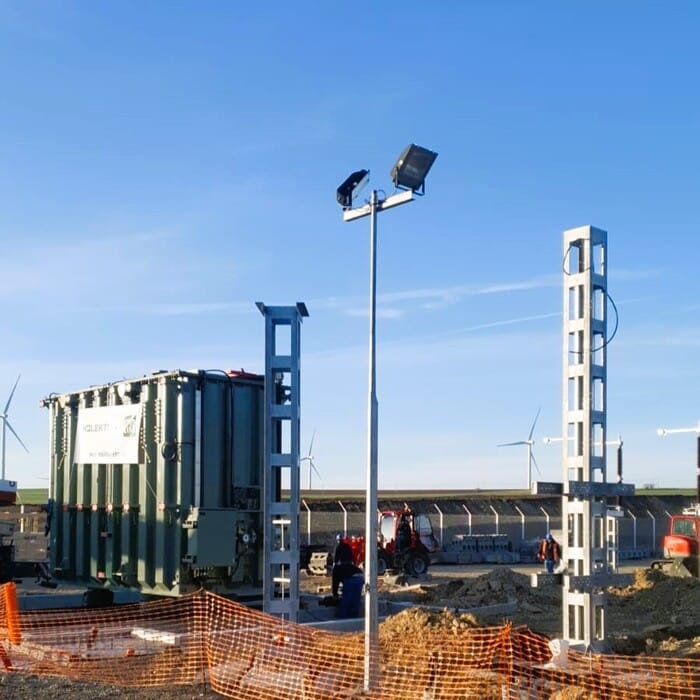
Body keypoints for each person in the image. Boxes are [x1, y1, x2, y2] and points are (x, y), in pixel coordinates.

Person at [332, 533, 361, 599]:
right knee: (347, 580)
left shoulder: (338, 546)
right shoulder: (347, 546)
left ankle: (335, 595)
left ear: (337, 540)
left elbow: (336, 558)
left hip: (341, 566)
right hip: (348, 566)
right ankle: (347, 593)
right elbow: (351, 556)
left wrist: (334, 564)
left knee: (336, 580)